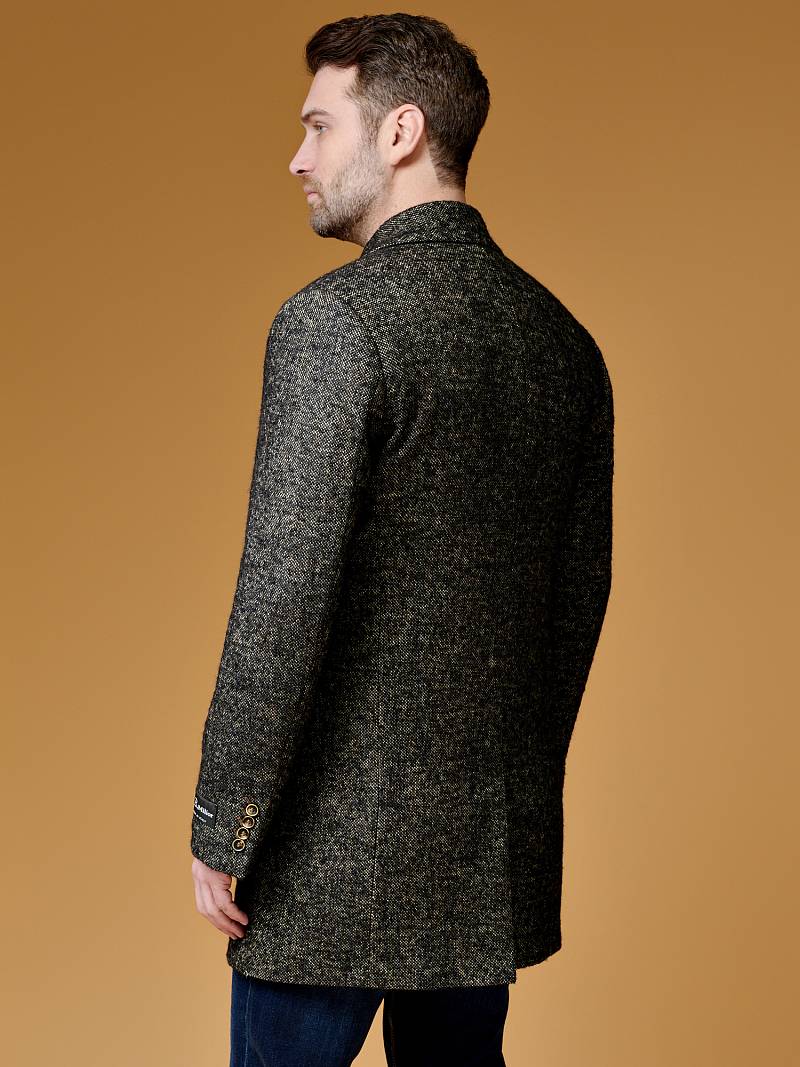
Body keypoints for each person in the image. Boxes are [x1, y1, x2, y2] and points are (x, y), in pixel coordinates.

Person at [189, 13, 614, 1067]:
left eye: (318, 126)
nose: (296, 158)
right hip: (479, 859)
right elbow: (574, 606)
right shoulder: (563, 345)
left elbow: (283, 596)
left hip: (328, 861)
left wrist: (225, 819)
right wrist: (504, 799)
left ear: (400, 131)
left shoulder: (335, 322)